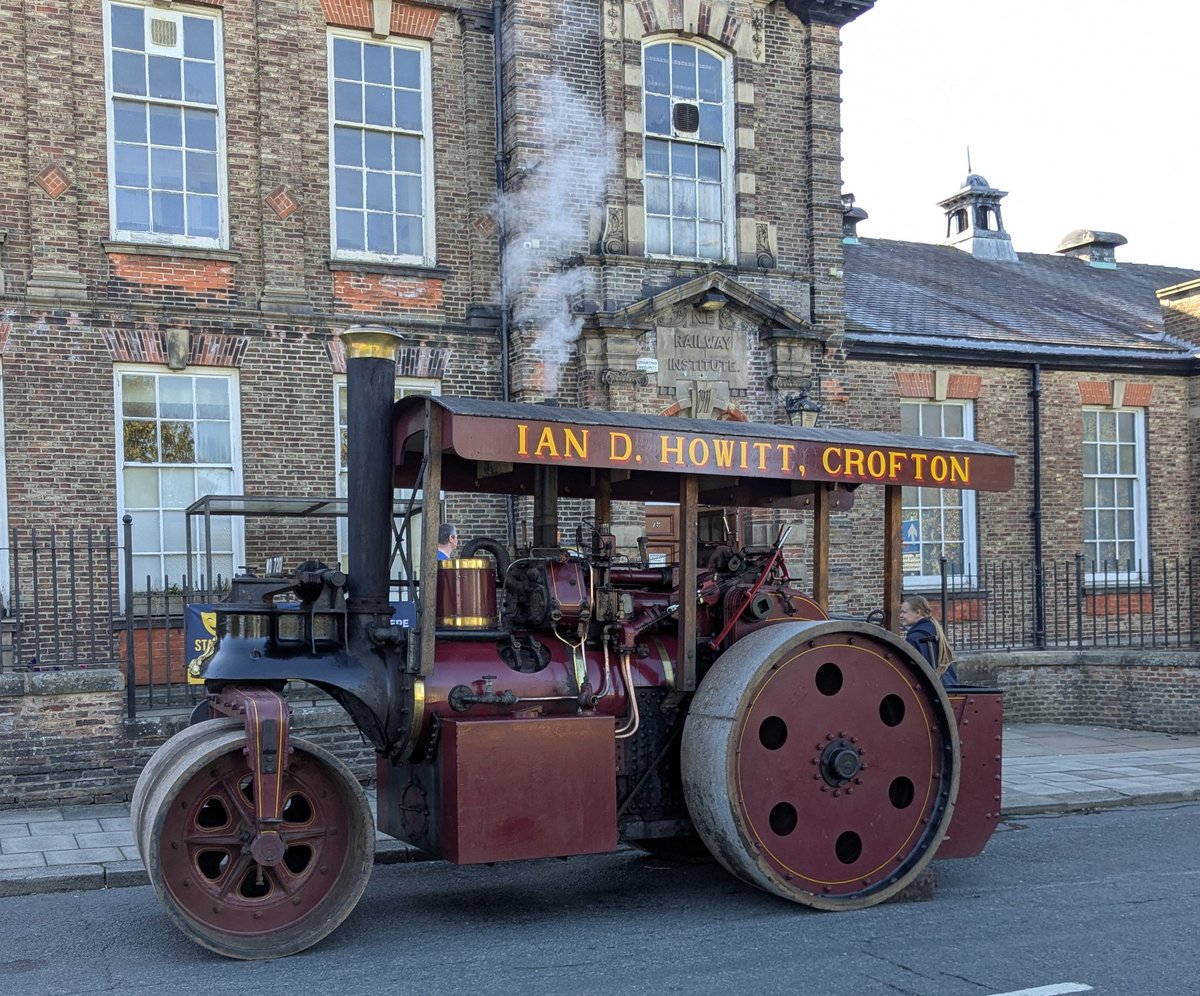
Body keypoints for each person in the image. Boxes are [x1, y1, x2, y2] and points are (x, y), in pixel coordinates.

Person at [900, 594, 958, 687]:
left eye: (904, 612)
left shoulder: (914, 638)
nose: (901, 615)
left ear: (918, 613)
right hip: (947, 685)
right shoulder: (932, 629)